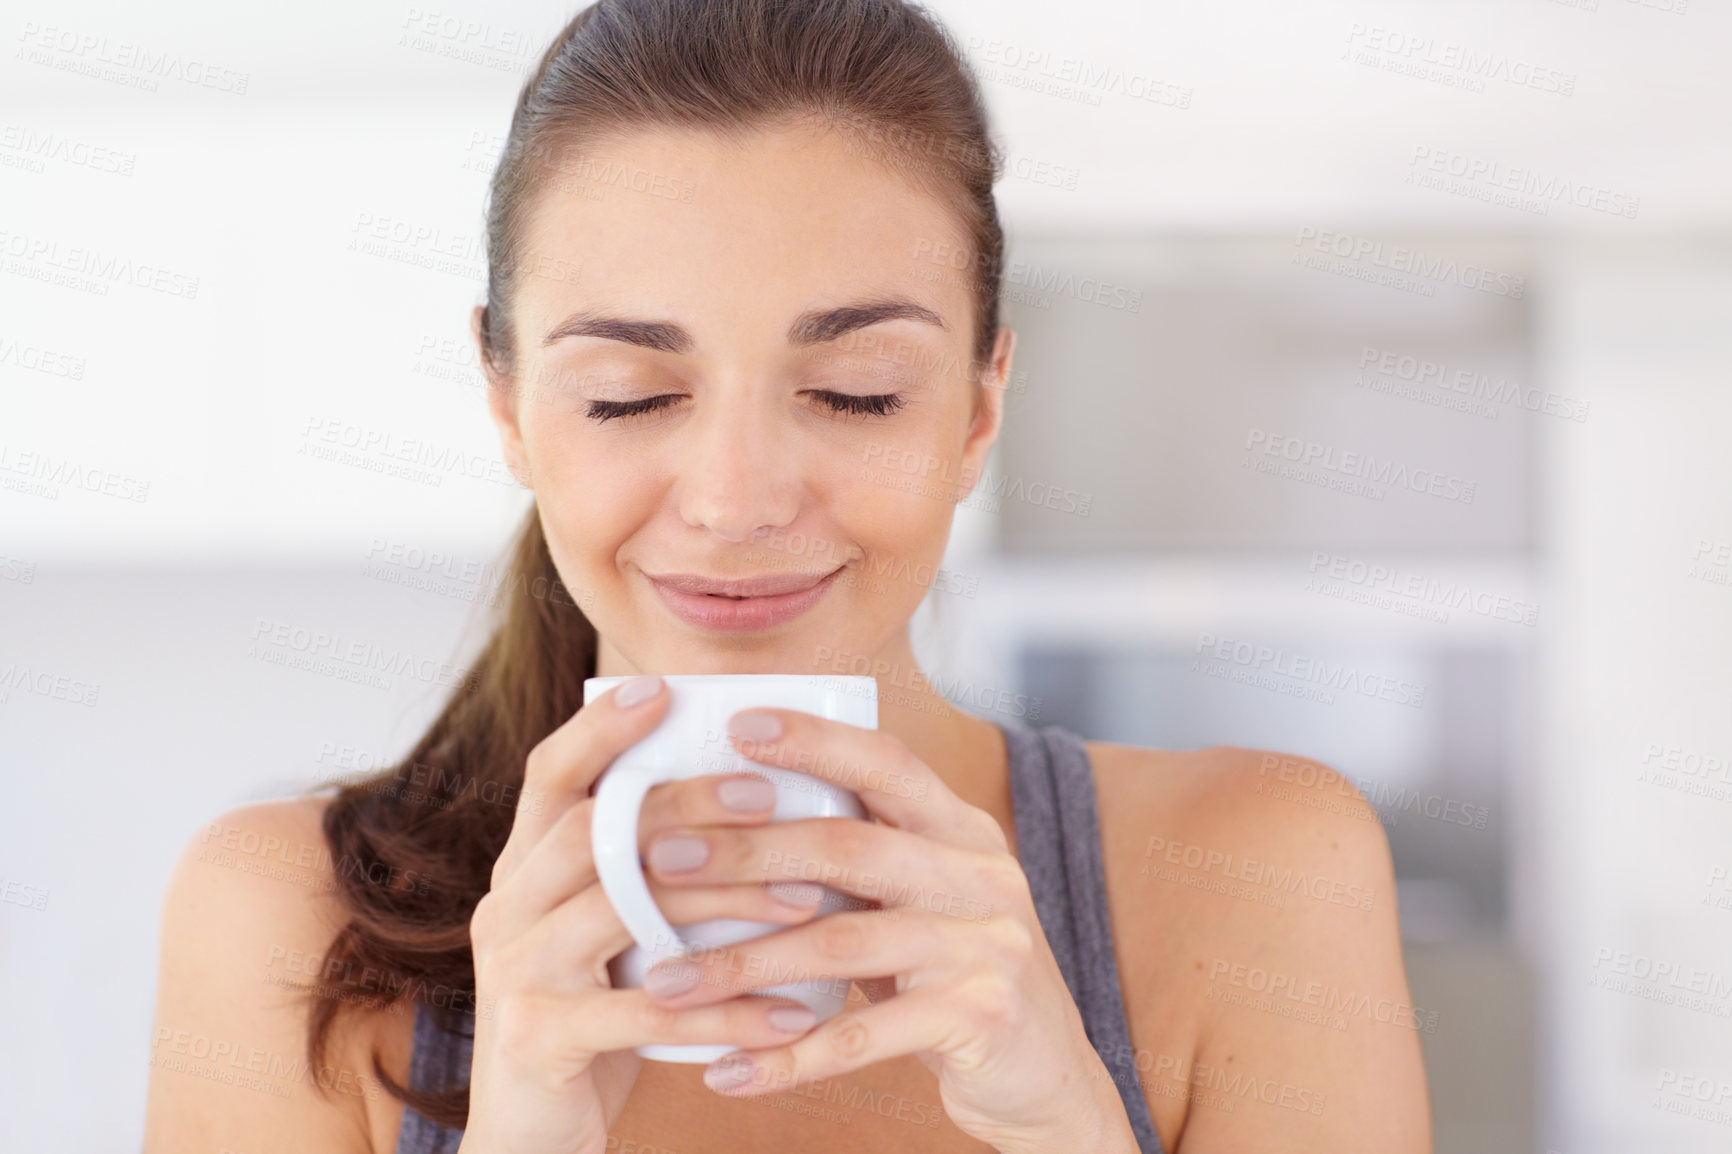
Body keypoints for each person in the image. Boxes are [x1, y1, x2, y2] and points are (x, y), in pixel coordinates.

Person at [143, 1, 1430, 1151]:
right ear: (509, 405)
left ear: (979, 410)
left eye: (853, 392)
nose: (737, 501)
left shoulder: (1258, 878)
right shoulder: (285, 925)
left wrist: (1068, 1126)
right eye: (628, 395)